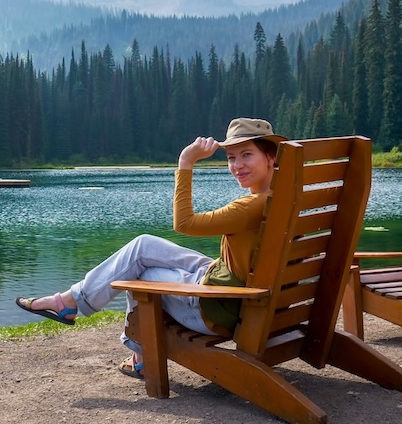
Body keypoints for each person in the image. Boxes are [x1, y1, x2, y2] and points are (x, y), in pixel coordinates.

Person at [15, 117, 287, 379]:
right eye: (231, 157)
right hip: (245, 293)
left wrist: (186, 162)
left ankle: (139, 355)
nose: (237, 165)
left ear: (270, 158)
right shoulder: (285, 199)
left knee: (137, 275)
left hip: (221, 309)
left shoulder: (251, 207)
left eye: (246, 155)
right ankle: (73, 300)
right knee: (143, 246)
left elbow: (184, 222)